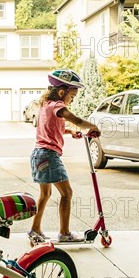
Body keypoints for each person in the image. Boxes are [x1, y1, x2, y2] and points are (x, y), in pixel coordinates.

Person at [28, 69, 101, 246]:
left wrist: (70, 131)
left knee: (45, 194)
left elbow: (50, 127)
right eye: (72, 96)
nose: (72, 100)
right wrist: (92, 126)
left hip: (38, 154)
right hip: (49, 155)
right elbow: (74, 118)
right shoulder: (58, 106)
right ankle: (65, 233)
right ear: (62, 92)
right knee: (67, 193)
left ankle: (35, 229)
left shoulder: (45, 105)